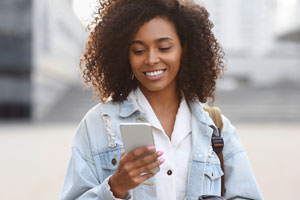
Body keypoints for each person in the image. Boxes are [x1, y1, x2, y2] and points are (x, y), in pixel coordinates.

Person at [61, 0, 263, 199]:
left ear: (184, 49)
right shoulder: (97, 124)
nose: (151, 59)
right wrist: (115, 187)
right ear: (125, 55)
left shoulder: (216, 127)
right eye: (138, 51)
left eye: (164, 48)